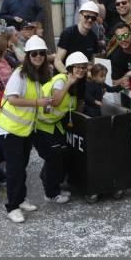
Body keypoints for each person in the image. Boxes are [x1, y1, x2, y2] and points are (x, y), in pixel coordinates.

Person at [0, 35, 52, 223]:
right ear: (27, 55)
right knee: (15, 169)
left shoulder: (36, 76)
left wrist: (43, 105)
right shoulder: (20, 73)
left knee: (22, 166)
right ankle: (12, 206)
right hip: (9, 130)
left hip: (24, 130)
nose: (38, 57)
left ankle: (20, 198)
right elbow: (12, 99)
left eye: (41, 54)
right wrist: (37, 102)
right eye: (34, 54)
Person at [36, 52, 86, 204]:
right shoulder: (61, 80)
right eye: (77, 67)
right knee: (55, 154)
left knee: (63, 153)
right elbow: (56, 102)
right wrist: (69, 83)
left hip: (53, 124)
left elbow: (76, 108)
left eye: (83, 67)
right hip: (38, 124)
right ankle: (51, 193)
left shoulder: (77, 85)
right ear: (70, 68)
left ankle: (49, 179)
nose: (81, 70)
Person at [55, 1, 100, 73]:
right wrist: (68, 75)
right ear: (80, 16)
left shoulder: (93, 37)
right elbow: (58, 61)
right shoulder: (68, 33)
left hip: (81, 76)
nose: (90, 20)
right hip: (65, 75)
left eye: (93, 18)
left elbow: (92, 62)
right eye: (87, 16)